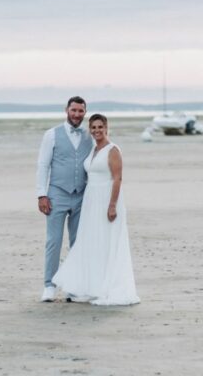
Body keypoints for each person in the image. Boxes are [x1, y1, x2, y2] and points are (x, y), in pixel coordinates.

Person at [52, 113, 140, 306]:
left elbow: (117, 178)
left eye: (100, 127)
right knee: (92, 242)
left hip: (107, 199)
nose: (97, 131)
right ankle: (91, 286)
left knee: (107, 242)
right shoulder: (92, 150)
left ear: (106, 128)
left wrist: (112, 205)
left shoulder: (113, 150)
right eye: (93, 127)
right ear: (90, 130)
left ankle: (107, 287)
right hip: (91, 201)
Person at [36, 96, 93, 302]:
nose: (77, 114)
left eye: (80, 111)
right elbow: (43, 165)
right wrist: (42, 194)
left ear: (85, 112)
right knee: (54, 241)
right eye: (74, 110)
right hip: (57, 194)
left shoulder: (90, 136)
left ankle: (73, 285)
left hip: (81, 196)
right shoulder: (51, 135)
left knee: (77, 243)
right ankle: (49, 285)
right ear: (66, 110)